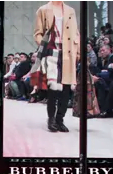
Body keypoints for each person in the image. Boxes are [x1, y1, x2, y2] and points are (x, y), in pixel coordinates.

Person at [31, 1, 80, 133]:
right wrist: (44, 46)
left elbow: (76, 33)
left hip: (68, 52)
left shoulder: (70, 10)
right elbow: (38, 33)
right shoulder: (43, 9)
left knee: (66, 87)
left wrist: (78, 52)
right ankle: (51, 119)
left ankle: (60, 119)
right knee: (53, 88)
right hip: (51, 52)